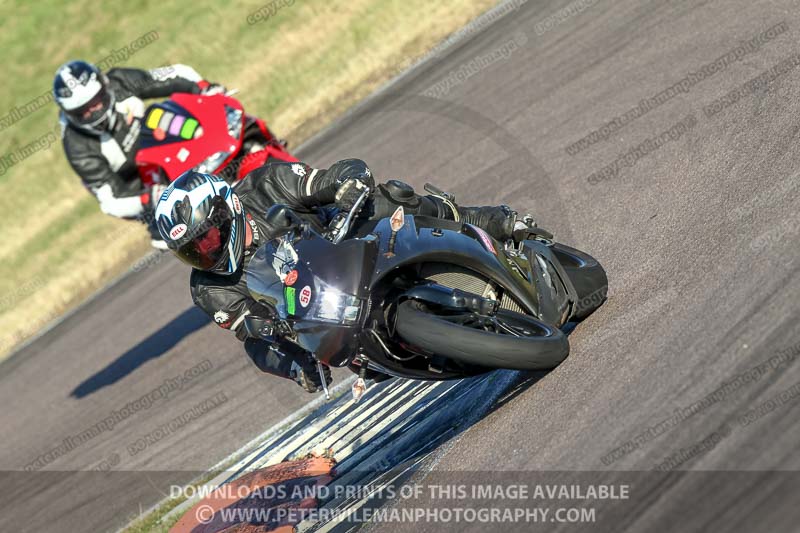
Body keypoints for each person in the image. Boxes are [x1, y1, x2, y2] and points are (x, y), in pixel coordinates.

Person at [155, 159, 528, 392]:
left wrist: (348, 183)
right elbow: (254, 342)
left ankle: (482, 220)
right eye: (192, 251)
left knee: (388, 198)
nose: (205, 252)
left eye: (207, 238)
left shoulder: (266, 185)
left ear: (227, 209)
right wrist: (292, 366)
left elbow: (331, 177)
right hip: (322, 315)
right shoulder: (209, 289)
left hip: (346, 247)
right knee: (348, 361)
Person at [53, 60, 226, 249]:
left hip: (158, 146)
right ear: (70, 113)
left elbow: (174, 73)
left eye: (95, 101)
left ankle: (222, 151)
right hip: (135, 187)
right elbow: (111, 202)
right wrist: (147, 198)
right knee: (174, 231)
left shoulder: (119, 81)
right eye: (82, 110)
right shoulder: (77, 147)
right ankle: (186, 237)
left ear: (104, 86)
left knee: (157, 115)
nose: (93, 111)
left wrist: (204, 88)